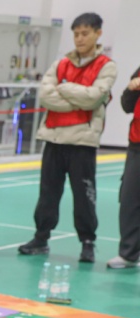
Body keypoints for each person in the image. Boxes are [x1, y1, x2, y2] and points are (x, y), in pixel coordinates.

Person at [18, 12, 117, 263]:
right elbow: (46, 96)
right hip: (53, 139)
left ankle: (87, 242)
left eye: (85, 33)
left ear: (97, 34)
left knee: (84, 195)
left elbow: (94, 97)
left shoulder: (106, 66)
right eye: (76, 34)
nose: (80, 38)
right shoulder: (60, 64)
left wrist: (64, 88)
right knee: (47, 194)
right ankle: (41, 237)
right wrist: (78, 100)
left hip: (82, 142)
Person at [107, 66, 140, 269]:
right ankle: (128, 254)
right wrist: (131, 89)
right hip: (136, 146)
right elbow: (127, 106)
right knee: (130, 200)